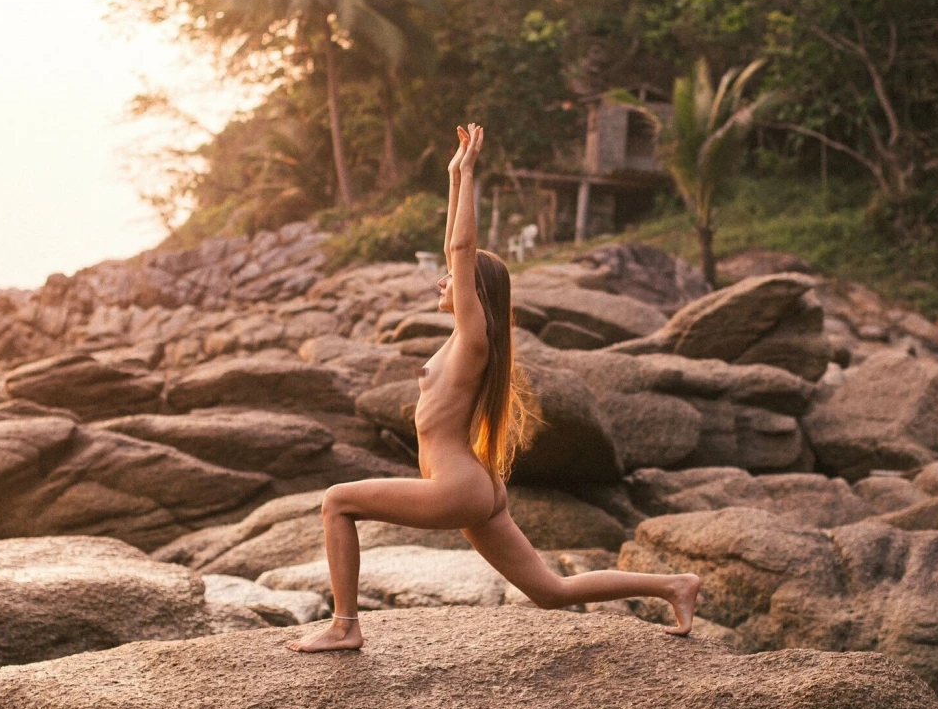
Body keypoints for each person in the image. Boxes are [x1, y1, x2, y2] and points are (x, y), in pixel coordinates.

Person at [286, 123, 700, 653]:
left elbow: (462, 247)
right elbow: (452, 248)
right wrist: (456, 175)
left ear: (473, 292)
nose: (442, 281)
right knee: (551, 591)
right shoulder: (465, 341)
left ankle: (345, 626)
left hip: (457, 487)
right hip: (476, 486)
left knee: (337, 502)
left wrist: (472, 176)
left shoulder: (474, 340)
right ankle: (674, 586)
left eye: (453, 279)